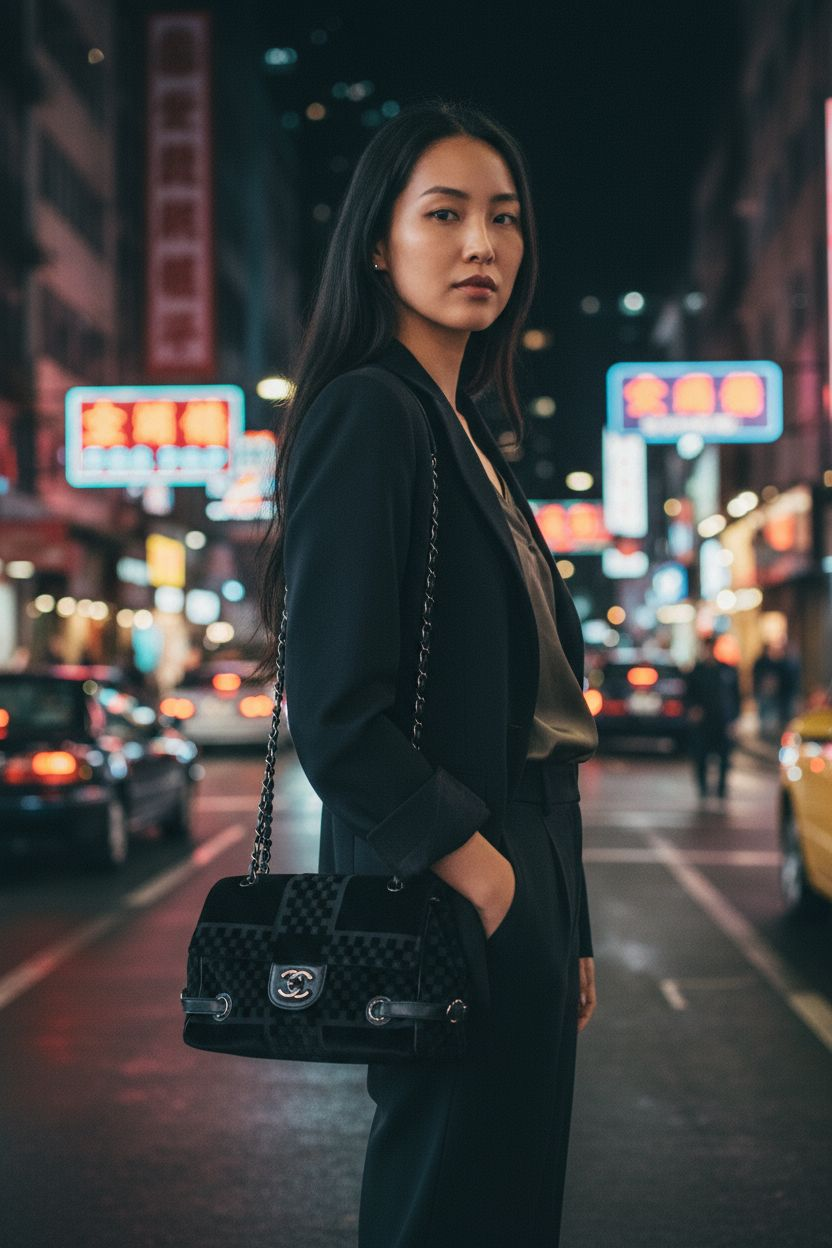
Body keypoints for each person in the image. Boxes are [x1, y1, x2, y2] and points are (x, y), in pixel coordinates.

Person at [255, 99, 598, 1248]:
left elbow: (546, 716)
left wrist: (571, 920)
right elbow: (336, 710)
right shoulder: (370, 414)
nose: (480, 247)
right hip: (455, 871)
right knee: (448, 1201)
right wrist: (484, 877)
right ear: (376, 241)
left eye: (502, 219)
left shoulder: (470, 432)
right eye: (443, 214)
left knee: (504, 1200)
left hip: (521, 863)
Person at [685, 634, 741, 800]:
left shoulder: (726, 670)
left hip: (722, 720)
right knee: (701, 756)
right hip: (703, 722)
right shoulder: (696, 671)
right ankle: (703, 788)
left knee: (724, 756)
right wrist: (693, 710)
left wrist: (734, 719)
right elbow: (689, 695)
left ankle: (721, 789)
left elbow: (736, 696)